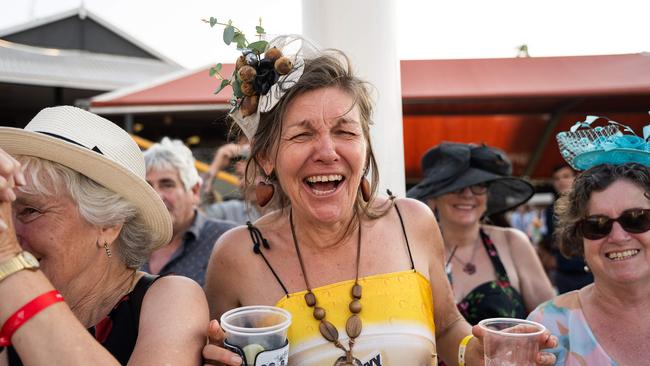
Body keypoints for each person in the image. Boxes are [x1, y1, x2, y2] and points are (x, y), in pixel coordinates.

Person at [201, 37, 556, 366]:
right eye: (302, 134)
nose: (327, 152)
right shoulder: (237, 257)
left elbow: (447, 327)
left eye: (345, 131)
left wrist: (478, 351)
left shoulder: (413, 223)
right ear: (266, 157)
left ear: (365, 146)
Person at [0, 106, 208, 365]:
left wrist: (9, 259)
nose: (9, 231)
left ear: (108, 224)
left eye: (30, 210)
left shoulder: (169, 300)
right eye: (6, 210)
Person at [407, 143, 555, 326]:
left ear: (487, 198)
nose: (468, 194)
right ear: (433, 198)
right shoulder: (414, 250)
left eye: (478, 186)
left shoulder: (512, 242)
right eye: (455, 186)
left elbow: (551, 323)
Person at [529, 163, 650, 365]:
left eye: (636, 218)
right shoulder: (548, 326)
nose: (618, 237)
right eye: (597, 225)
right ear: (578, 239)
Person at [143, 137, 236, 287]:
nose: (156, 196)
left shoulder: (227, 240)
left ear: (194, 191)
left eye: (167, 185)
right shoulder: (125, 243)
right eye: (147, 186)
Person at [542, 164, 593, 294]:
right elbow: (551, 239)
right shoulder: (550, 210)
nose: (561, 181)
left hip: (590, 271)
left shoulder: (590, 204)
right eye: (556, 178)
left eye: (565, 176)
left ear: (576, 178)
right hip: (564, 273)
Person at [200, 140, 261, 225]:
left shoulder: (284, 209)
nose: (246, 182)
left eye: (254, 174)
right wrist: (215, 165)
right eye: (240, 177)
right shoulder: (232, 210)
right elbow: (198, 217)